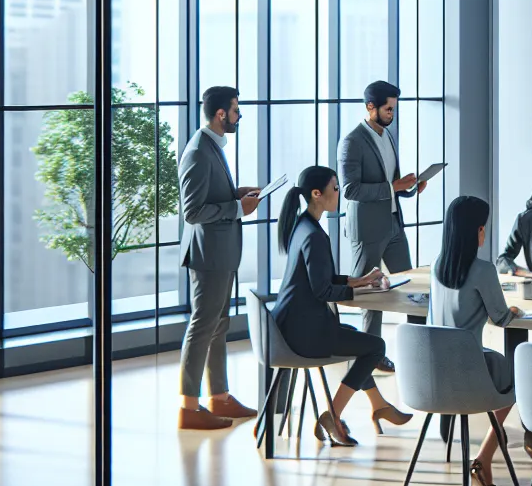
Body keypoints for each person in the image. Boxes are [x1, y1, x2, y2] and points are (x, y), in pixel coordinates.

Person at [271, 166, 413, 447]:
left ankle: (379, 405)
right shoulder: (314, 236)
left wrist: (361, 281)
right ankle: (333, 416)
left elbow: (319, 278)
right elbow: (323, 289)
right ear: (316, 194)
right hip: (303, 336)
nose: (339, 193)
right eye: (334, 188)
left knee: (354, 338)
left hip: (288, 328)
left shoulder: (303, 226)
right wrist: (358, 290)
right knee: (375, 347)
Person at [175, 85, 261, 431]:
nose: (240, 116)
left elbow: (210, 196)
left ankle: (219, 396)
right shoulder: (198, 151)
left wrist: (235, 195)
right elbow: (192, 212)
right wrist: (237, 208)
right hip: (208, 255)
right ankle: (189, 406)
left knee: (218, 326)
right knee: (202, 325)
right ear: (221, 114)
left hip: (221, 253)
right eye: (236, 110)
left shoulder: (212, 146)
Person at [430, 195, 524, 486]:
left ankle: (487, 453)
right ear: (476, 232)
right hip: (468, 373)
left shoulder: (437, 266)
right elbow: (500, 318)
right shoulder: (483, 271)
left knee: (505, 369)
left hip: (432, 373)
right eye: (482, 228)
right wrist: (513, 312)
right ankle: (484, 456)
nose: (484, 233)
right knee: (521, 378)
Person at [338, 80, 430, 369]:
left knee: (413, 287)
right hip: (367, 229)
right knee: (370, 294)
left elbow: (394, 183)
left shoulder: (388, 136)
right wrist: (393, 186)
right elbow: (350, 190)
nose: (392, 114)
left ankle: (421, 350)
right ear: (370, 107)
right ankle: (370, 356)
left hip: (393, 223)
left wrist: (411, 187)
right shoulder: (352, 141)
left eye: (394, 109)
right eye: (388, 109)